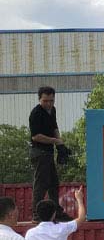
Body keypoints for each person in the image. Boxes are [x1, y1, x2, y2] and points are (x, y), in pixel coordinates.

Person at [29, 86, 71, 222]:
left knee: (53, 183)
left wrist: (60, 144)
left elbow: (54, 127)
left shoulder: (52, 110)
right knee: (41, 184)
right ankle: (36, 214)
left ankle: (56, 212)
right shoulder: (36, 113)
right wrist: (55, 141)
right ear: (39, 99)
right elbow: (36, 136)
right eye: (45, 101)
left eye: (51, 101)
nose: (48, 104)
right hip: (39, 152)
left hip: (48, 153)